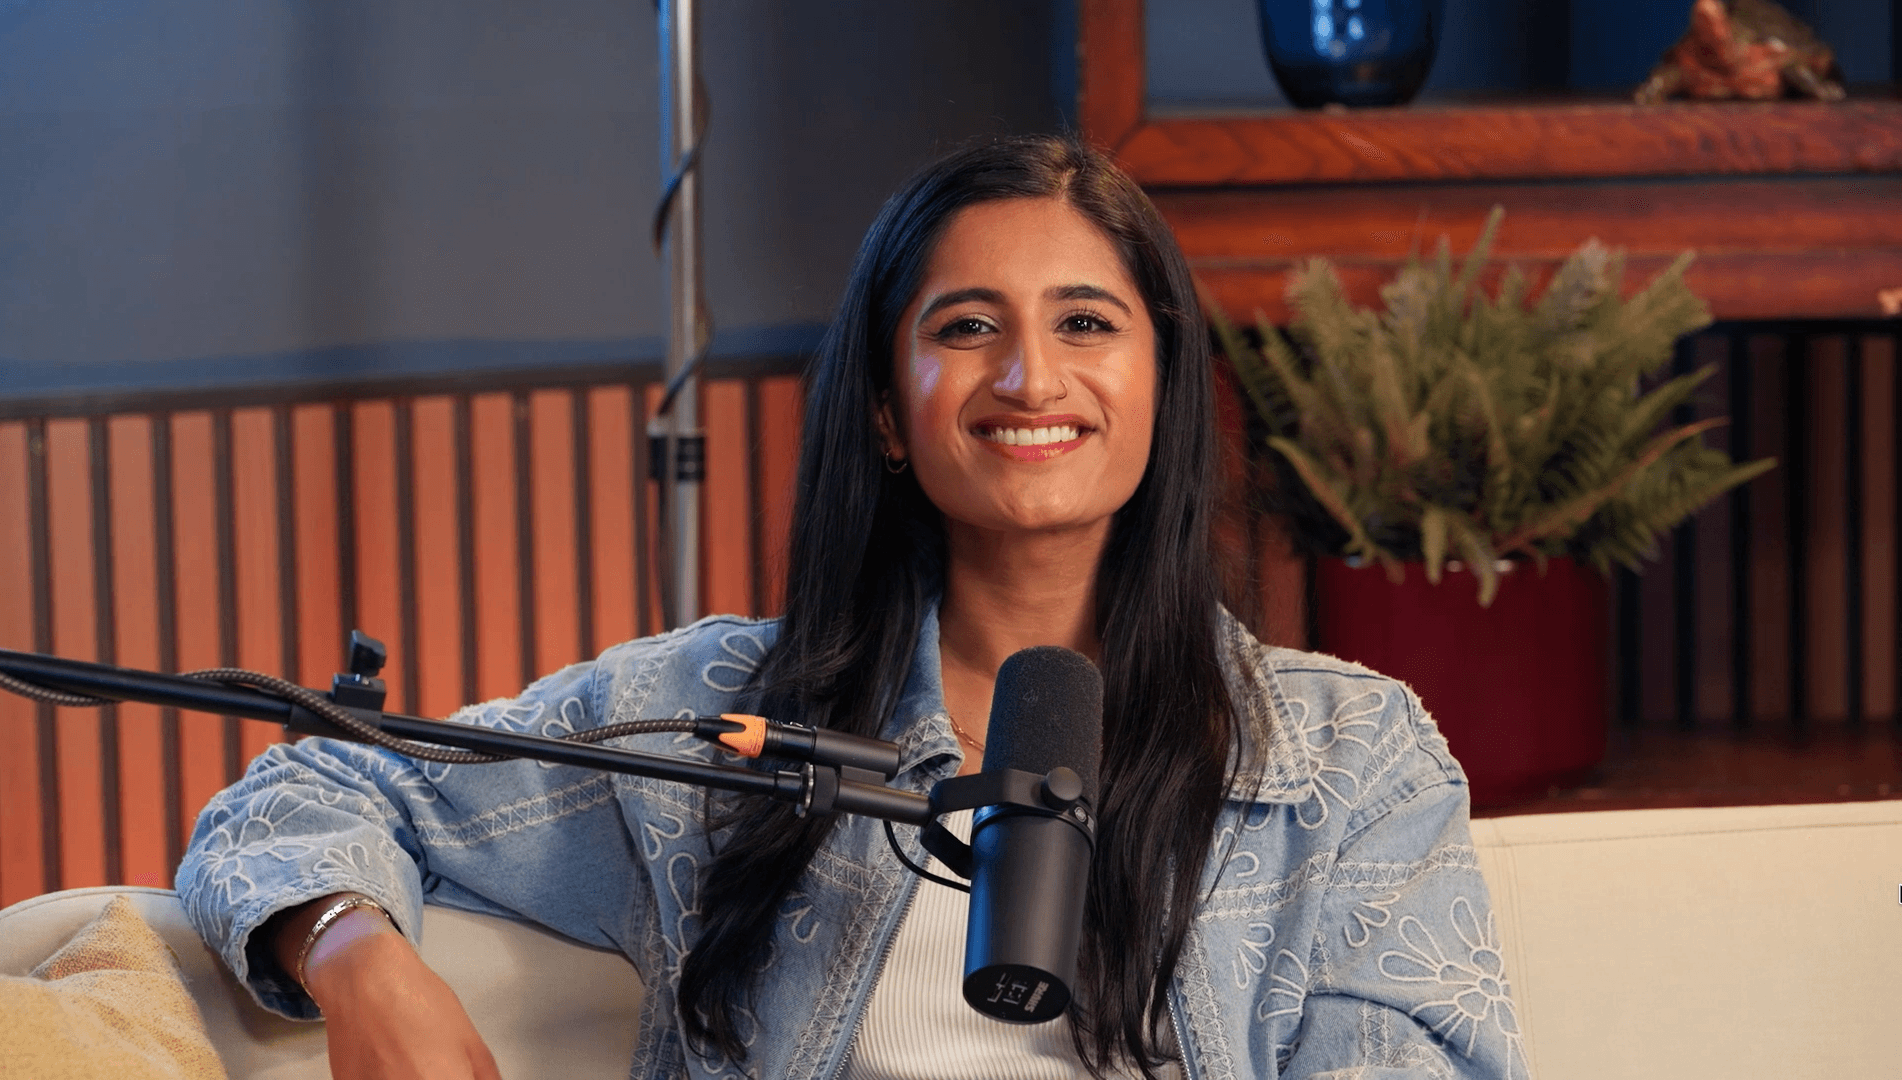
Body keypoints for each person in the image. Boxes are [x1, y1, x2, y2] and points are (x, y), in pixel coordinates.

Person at [178, 134, 1526, 1080]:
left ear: (1163, 389)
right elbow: (308, 795)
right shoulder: (718, 722)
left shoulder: (1350, 762)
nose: (1029, 376)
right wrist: (357, 956)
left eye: (1086, 324)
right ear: (889, 410)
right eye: (965, 328)